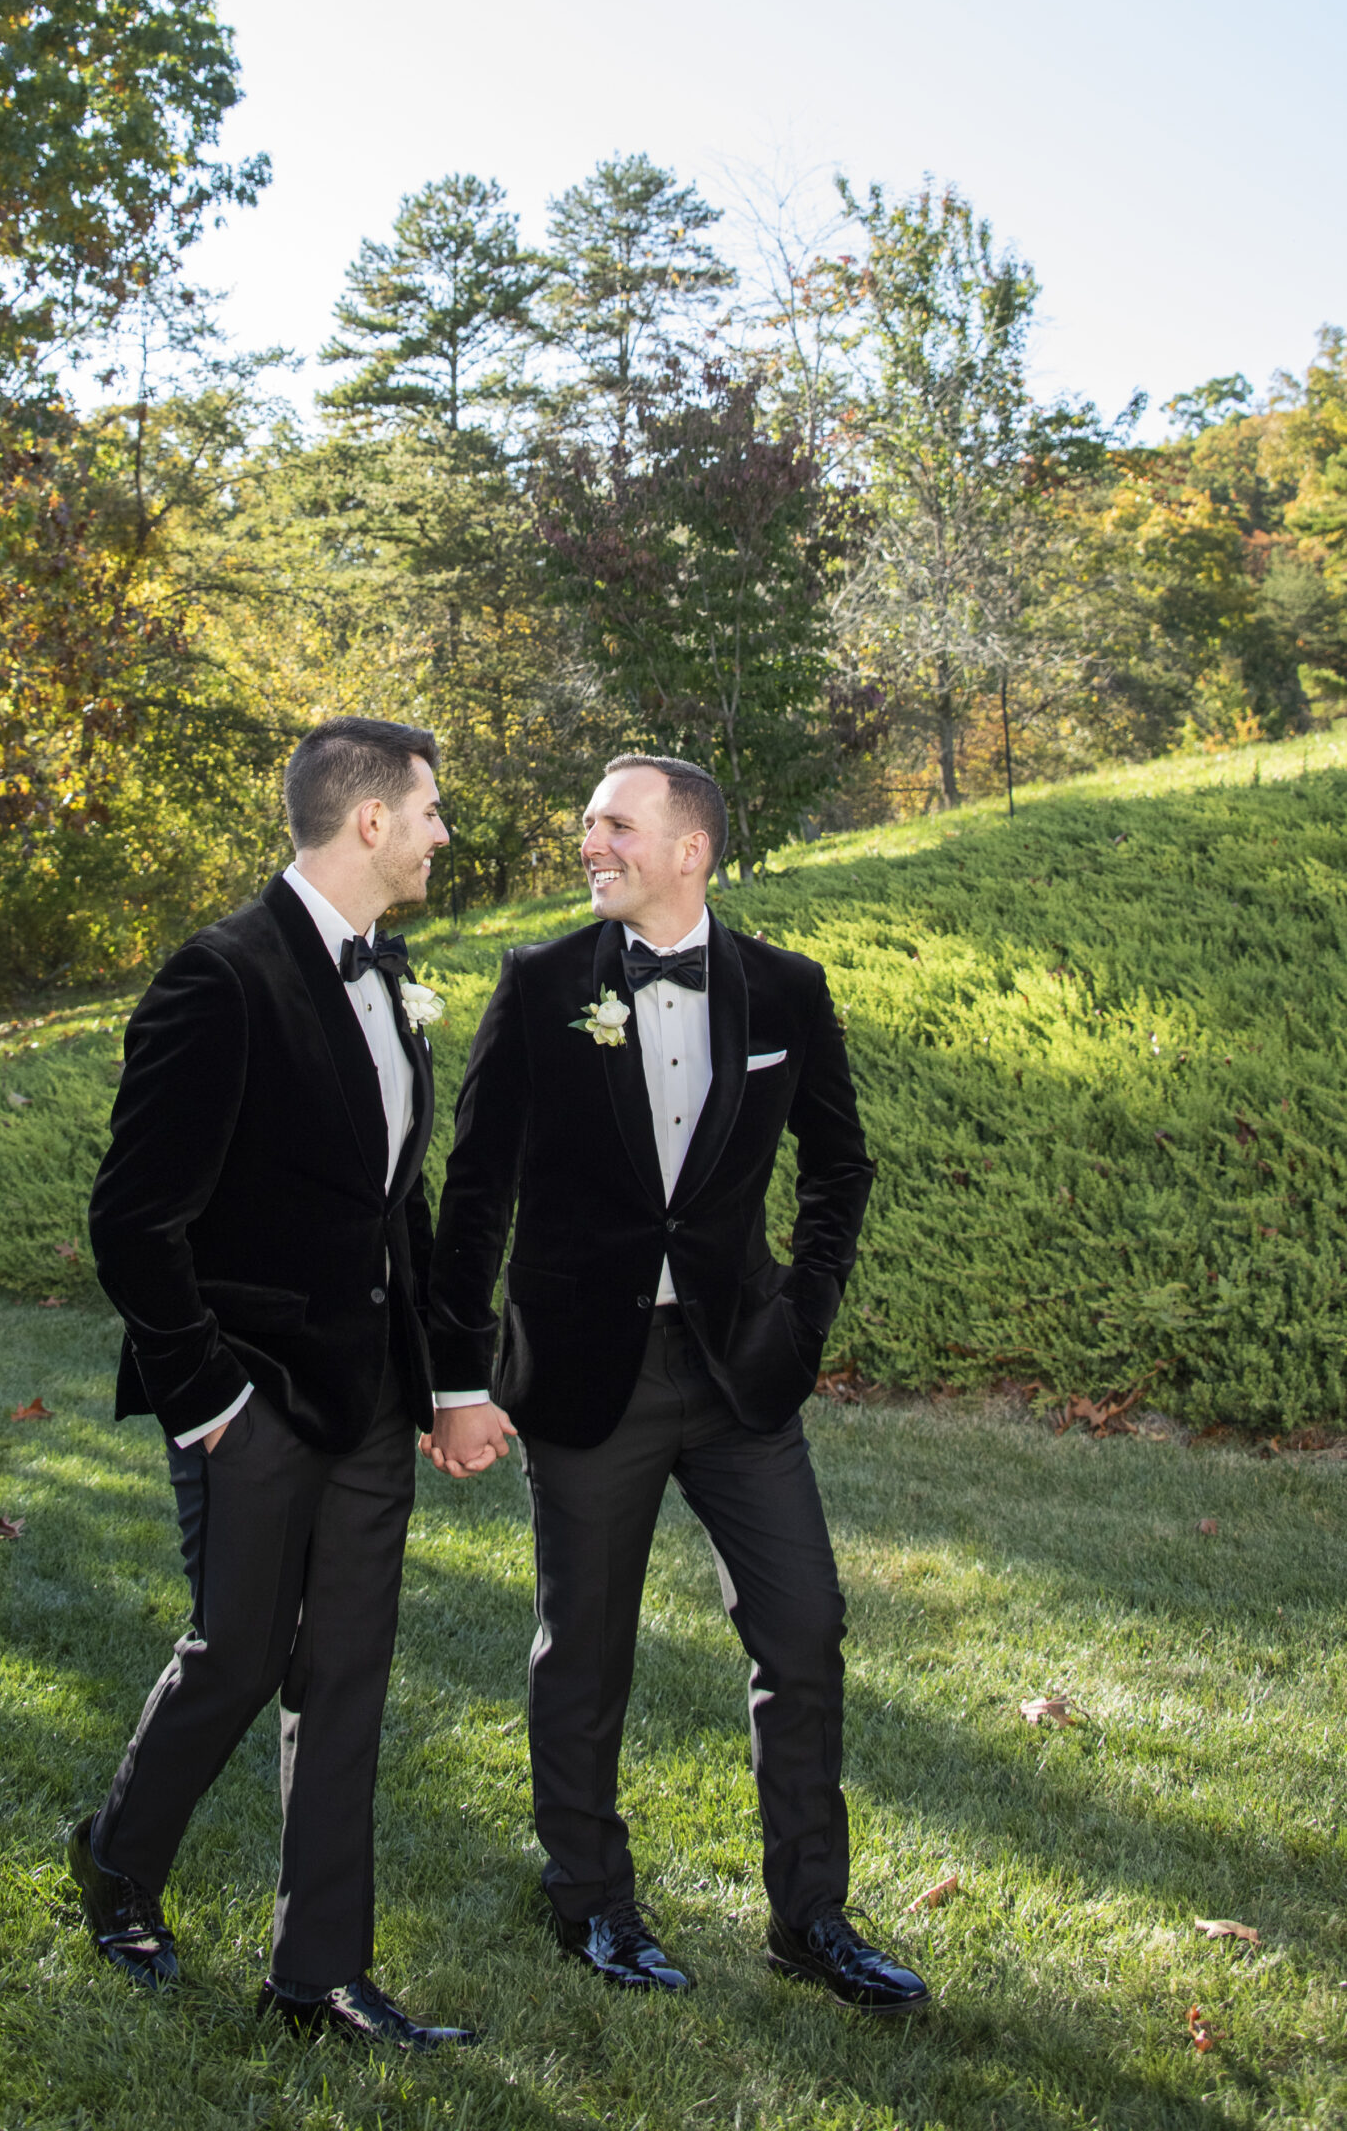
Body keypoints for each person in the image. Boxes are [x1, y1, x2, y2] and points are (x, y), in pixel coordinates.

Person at [421, 754, 928, 2014]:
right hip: (585, 1376)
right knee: (583, 1650)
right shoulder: (539, 985)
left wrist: (801, 1316)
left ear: (690, 848)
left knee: (804, 1630)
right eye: (588, 824)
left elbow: (840, 1166)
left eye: (615, 824)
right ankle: (590, 1901)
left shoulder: (785, 991)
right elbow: (475, 1192)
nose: (590, 841)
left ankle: (811, 1918)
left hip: (739, 1376)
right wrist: (454, 1377)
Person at [70, 716, 475, 2051]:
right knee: (240, 1655)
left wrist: (442, 1380)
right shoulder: (220, 980)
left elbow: (387, 1204)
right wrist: (208, 1399)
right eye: (427, 810)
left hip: (365, 1394)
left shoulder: (390, 970)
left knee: (348, 1673)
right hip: (248, 1399)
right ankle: (119, 1865)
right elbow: (135, 1220)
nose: (439, 833)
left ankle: (320, 1978)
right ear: (367, 821)